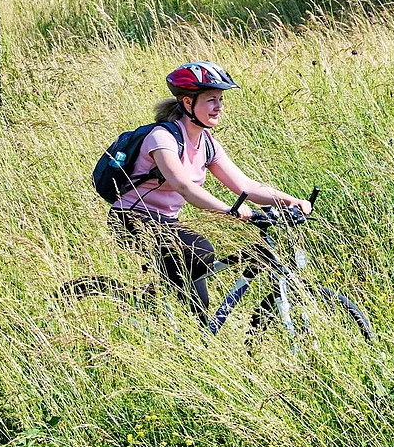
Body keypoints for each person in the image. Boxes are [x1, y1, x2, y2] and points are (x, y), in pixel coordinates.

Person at [108, 62, 311, 320]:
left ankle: (176, 328)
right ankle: (151, 316)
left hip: (166, 223)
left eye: (221, 99)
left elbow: (245, 185)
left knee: (200, 310)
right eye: (211, 99)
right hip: (131, 218)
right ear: (187, 103)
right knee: (200, 251)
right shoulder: (162, 138)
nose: (219, 106)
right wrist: (229, 209)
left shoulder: (207, 144)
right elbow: (184, 186)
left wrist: (289, 201)